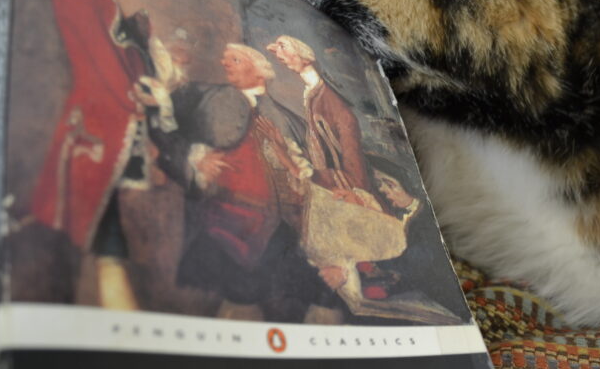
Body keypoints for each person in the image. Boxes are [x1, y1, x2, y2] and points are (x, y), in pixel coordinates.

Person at [146, 43, 324, 320]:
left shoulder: (286, 118)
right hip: (224, 220)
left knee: (287, 293)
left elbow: (303, 170)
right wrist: (194, 159)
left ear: (260, 72)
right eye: (224, 58)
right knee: (237, 296)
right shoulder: (207, 98)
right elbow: (168, 130)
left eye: (235, 59)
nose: (224, 63)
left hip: (278, 225)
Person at [31, 0, 151, 310]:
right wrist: (135, 98)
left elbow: (117, 55)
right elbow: (101, 60)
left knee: (101, 222)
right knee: (93, 223)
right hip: (98, 123)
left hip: (109, 117)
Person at [318, 156, 469, 321]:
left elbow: (415, 261)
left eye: (389, 184)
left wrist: (373, 261)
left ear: (407, 185)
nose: (383, 190)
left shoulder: (427, 219)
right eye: (380, 184)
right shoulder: (395, 214)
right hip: (410, 287)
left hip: (445, 299)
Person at [265, 35, 375, 203]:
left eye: (284, 47)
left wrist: (295, 166)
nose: (280, 57)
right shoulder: (312, 95)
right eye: (278, 50)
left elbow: (358, 180)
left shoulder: (334, 106)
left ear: (306, 57)